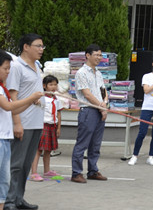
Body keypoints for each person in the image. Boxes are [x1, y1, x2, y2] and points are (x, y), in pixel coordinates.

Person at [1, 49, 44, 210]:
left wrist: (31, 101)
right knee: (10, 171)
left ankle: (10, 206)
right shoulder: (14, 72)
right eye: (5, 69)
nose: (7, 72)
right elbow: (10, 105)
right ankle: (8, 204)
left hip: (14, 131)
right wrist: (31, 99)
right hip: (9, 133)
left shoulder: (37, 67)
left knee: (13, 173)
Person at [70, 44, 109, 184]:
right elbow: (86, 93)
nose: (99, 58)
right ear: (87, 55)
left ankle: (93, 170)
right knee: (83, 142)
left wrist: (104, 103)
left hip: (100, 110)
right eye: (96, 55)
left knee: (95, 144)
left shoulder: (98, 73)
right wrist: (101, 107)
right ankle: (76, 172)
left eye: (100, 55)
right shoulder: (81, 72)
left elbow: (103, 90)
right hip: (88, 110)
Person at [129, 56, 153, 166]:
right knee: (142, 132)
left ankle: (151, 157)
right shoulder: (147, 76)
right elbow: (146, 90)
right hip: (148, 108)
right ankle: (134, 155)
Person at [29, 75, 62, 180]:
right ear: (44, 86)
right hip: (43, 125)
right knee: (38, 150)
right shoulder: (41, 97)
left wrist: (58, 127)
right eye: (51, 84)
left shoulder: (57, 99)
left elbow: (59, 114)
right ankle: (34, 172)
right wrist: (36, 101)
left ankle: (47, 171)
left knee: (48, 150)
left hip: (53, 126)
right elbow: (36, 105)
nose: (53, 87)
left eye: (55, 84)